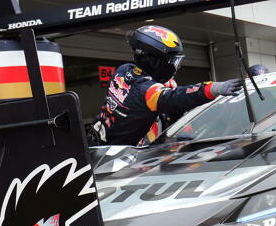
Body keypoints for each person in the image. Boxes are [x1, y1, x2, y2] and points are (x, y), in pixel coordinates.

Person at [90, 25, 243, 146]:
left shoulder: (124, 70)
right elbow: (175, 98)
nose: (177, 67)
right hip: (112, 157)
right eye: (173, 61)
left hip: (98, 141)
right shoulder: (147, 91)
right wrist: (214, 88)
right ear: (155, 60)